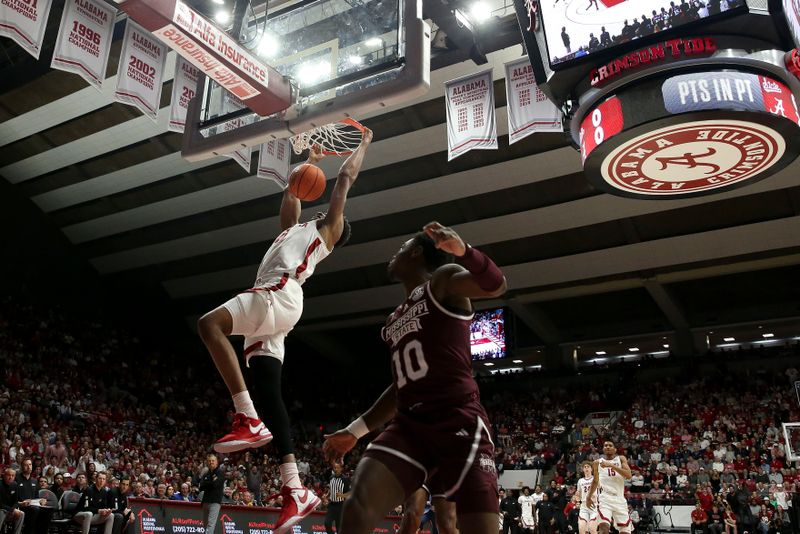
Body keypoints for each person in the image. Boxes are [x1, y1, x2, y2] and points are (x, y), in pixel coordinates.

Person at [197, 131, 372, 534]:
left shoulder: (325, 233)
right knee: (271, 393)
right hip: (276, 309)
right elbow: (294, 194)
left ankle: (246, 418)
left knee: (210, 324)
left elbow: (344, 182)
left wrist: (363, 143)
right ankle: (295, 488)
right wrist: (312, 159)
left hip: (280, 293)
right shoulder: (291, 231)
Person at [323, 223, 507, 534]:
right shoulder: (394, 318)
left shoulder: (443, 282)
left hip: (457, 418)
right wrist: (356, 430)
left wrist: (465, 253)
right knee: (358, 506)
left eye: (400, 249)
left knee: (470, 527)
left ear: (416, 252)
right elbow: (400, 387)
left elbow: (496, 286)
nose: (393, 256)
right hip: (410, 426)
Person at [587, 441, 633, 534]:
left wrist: (611, 465)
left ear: (615, 449)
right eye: (605, 445)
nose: (607, 447)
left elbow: (628, 475)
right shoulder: (597, 463)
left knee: (625, 532)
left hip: (620, 499)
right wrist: (589, 496)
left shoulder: (621, 459)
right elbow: (595, 481)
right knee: (604, 527)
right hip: (605, 498)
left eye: (610, 445)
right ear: (603, 449)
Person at [199, 454, 225, 534]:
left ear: (217, 462)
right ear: (207, 462)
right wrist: (211, 483)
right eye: (209, 461)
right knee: (205, 524)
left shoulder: (220, 472)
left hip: (215, 501)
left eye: (213, 461)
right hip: (206, 501)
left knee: (210, 524)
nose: (211, 462)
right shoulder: (206, 473)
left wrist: (207, 483)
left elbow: (216, 484)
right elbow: (201, 487)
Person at [325, 463, 350, 534]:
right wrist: (326, 495)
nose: (335, 469)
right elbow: (331, 489)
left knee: (339, 528)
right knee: (327, 523)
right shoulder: (331, 477)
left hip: (341, 505)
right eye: (334, 468)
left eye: (337, 468)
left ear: (341, 469)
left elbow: (349, 494)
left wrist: (341, 495)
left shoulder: (345, 479)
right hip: (332, 505)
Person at [0, 468, 25, 534]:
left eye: (12, 475)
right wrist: (12, 510)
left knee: (21, 513)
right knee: (1, 512)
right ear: (4, 475)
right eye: (8, 475)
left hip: (9, 510)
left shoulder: (15, 485)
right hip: (2, 510)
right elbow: (0, 504)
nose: (10, 477)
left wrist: (13, 509)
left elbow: (16, 501)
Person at [577, 462, 598, 534]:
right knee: (581, 528)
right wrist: (576, 496)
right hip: (584, 505)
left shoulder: (595, 479)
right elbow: (578, 494)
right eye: (585, 467)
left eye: (588, 466)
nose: (586, 468)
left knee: (592, 528)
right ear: (582, 469)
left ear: (591, 469)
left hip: (594, 505)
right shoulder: (580, 481)